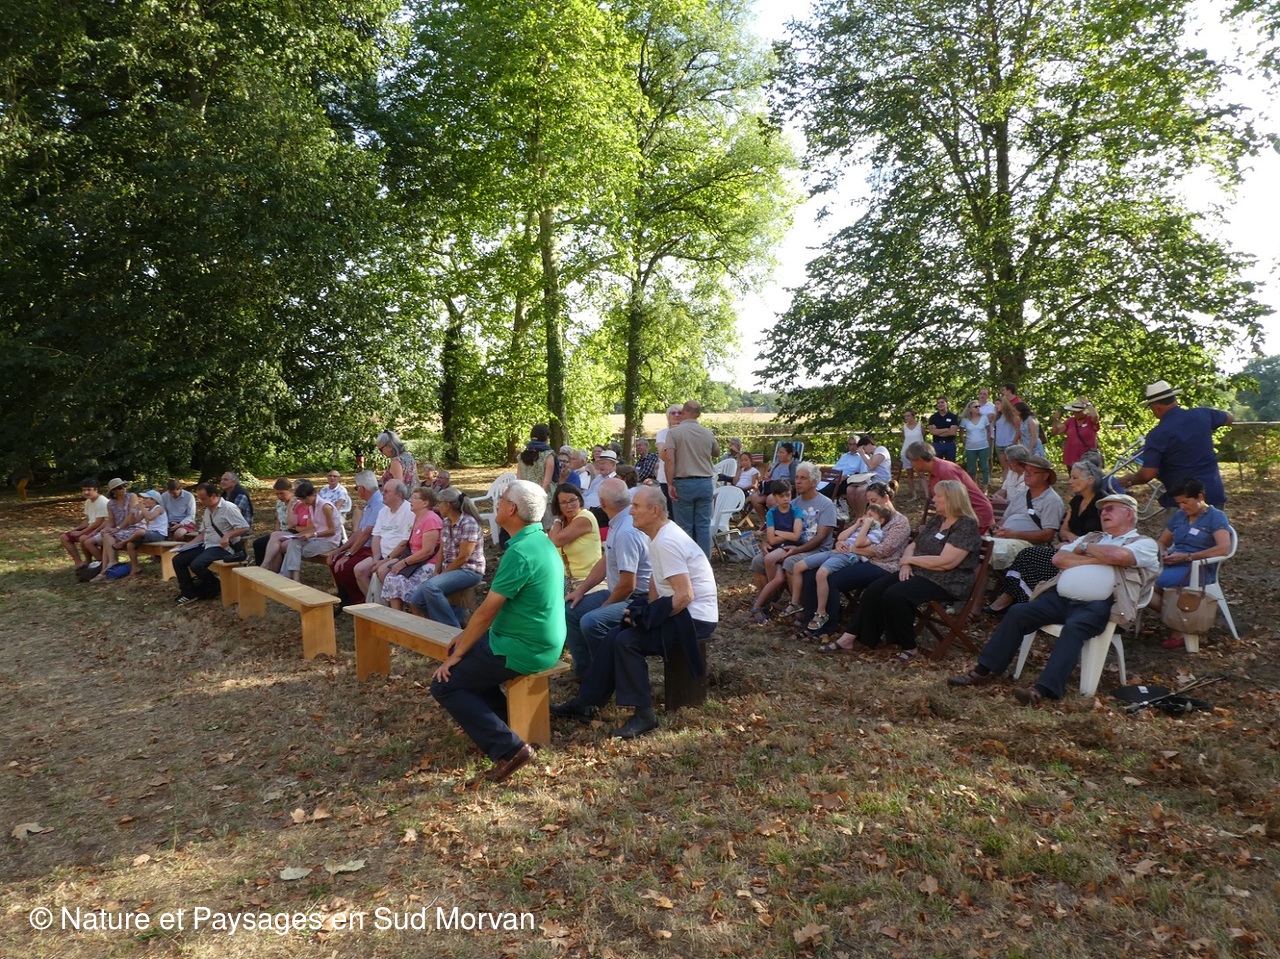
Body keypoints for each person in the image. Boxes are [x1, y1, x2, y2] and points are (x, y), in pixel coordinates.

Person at [948, 493, 1159, 705]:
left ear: (1129, 514)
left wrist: (1084, 550)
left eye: (1110, 508)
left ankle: (1043, 690)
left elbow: (1119, 557)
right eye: (1102, 509)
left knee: (1074, 628)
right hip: (1061, 599)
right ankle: (983, 671)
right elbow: (1058, 559)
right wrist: (1096, 556)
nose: (1104, 513)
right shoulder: (1092, 538)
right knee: (1019, 612)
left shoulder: (1144, 543)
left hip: (1100, 605)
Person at [551, 485, 718, 739]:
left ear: (655, 510)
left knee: (627, 641)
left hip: (695, 619)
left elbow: (685, 595)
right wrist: (646, 610)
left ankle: (644, 714)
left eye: (636, 506)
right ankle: (586, 701)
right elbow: (655, 580)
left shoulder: (667, 541)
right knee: (614, 635)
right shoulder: (657, 535)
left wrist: (650, 617)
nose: (631, 511)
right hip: (681, 612)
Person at [429, 480, 565, 784]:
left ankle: (510, 750)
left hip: (525, 646)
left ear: (512, 509)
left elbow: (487, 611)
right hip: (529, 639)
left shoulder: (521, 552)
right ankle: (509, 728)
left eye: (501, 500)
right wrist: (465, 639)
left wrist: (459, 652)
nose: (497, 504)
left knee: (445, 684)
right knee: (466, 667)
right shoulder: (538, 540)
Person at [819, 480, 981, 659]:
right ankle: (851, 637)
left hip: (947, 579)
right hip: (920, 570)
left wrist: (909, 560)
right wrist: (905, 563)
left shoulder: (966, 525)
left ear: (952, 499)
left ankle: (908, 646)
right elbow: (914, 544)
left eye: (938, 496)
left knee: (896, 595)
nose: (933, 499)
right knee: (875, 589)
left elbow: (947, 562)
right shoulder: (938, 519)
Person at [985, 458, 1105, 614]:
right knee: (1028, 556)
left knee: (1029, 555)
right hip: (1066, 549)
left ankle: (1017, 604)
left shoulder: (1103, 504)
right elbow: (1063, 531)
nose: (1069, 482)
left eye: (1075, 478)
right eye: (1070, 477)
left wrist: (1077, 544)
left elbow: (1104, 537)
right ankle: (1016, 603)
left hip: (1086, 556)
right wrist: (1071, 540)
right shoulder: (1076, 501)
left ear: (1090, 480)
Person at [563, 479, 652, 678]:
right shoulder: (618, 521)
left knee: (591, 621)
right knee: (571, 610)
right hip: (619, 591)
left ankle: (607, 676)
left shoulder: (626, 531)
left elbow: (628, 585)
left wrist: (604, 608)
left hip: (640, 599)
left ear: (602, 503)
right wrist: (580, 590)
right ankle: (586, 674)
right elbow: (606, 560)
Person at [804, 482, 911, 637]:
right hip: (856, 558)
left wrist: (851, 549)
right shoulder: (870, 515)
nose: (870, 504)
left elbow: (883, 551)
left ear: (886, 498)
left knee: (831, 579)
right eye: (869, 501)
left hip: (881, 565)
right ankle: (811, 618)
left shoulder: (900, 523)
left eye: (874, 500)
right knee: (811, 573)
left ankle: (826, 627)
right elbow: (851, 536)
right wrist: (841, 543)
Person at [1117, 379, 1233, 508]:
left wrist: (1130, 479)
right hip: (1213, 493)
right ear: (1174, 399)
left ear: (1155, 406)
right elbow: (1229, 418)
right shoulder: (1202, 414)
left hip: (1183, 501)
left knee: (1177, 522)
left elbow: (1147, 474)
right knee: (1215, 522)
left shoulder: (1158, 434)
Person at [1148, 478, 1233, 649]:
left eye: (1185, 502)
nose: (1182, 507)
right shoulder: (1180, 516)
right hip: (1174, 562)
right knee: (1142, 582)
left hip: (1199, 567)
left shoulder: (1215, 517)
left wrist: (1188, 557)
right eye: (1179, 503)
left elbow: (1224, 548)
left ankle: (1181, 625)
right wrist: (1162, 551)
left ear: (1200, 497)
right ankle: (1181, 622)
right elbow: (1162, 541)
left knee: (1149, 585)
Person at [408, 487, 486, 626]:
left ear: (448, 504)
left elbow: (463, 557)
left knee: (431, 587)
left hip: (469, 570)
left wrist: (442, 575)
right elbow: (441, 550)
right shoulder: (446, 522)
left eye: (439, 503)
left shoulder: (468, 523)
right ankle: (456, 618)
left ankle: (451, 630)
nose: (437, 506)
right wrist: (436, 571)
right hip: (450, 570)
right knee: (416, 601)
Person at [984, 454, 1065, 572]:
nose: (1027, 474)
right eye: (1026, 471)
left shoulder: (1052, 501)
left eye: (1032, 472)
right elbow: (1004, 519)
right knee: (976, 546)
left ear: (1045, 476)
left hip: (1028, 548)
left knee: (986, 551)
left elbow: (1048, 535)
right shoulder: (1021, 495)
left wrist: (1014, 534)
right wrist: (999, 529)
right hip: (1006, 541)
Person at [172, 482, 251, 605]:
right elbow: (203, 533)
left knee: (197, 564)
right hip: (208, 545)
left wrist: (227, 536)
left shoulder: (229, 508)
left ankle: (215, 586)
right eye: (200, 498)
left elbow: (244, 527)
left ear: (213, 496)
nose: (201, 501)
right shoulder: (207, 511)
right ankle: (188, 592)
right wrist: (186, 546)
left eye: (203, 498)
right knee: (178, 560)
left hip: (223, 548)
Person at [663, 399, 721, 557]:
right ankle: (704, 562)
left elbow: (669, 459)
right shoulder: (707, 433)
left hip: (684, 483)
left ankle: (687, 561)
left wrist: (670, 483)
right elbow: (716, 452)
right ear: (699, 414)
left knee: (684, 527)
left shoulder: (674, 433)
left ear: (683, 412)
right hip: (705, 482)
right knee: (703, 526)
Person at [905, 441, 995, 533]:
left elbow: (958, 502)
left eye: (911, 461)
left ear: (920, 460)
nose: (911, 465)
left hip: (976, 515)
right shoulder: (935, 471)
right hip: (961, 517)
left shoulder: (946, 471)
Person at [748, 480, 804, 624]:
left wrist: (778, 532)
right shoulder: (772, 513)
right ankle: (768, 599)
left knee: (769, 559)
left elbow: (796, 536)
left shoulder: (796, 511)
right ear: (774, 497)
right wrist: (785, 534)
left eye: (788, 495)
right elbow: (771, 540)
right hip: (777, 547)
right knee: (778, 579)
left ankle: (759, 604)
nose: (785, 499)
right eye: (781, 496)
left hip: (789, 548)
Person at [327, 471, 383, 609]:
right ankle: (346, 597)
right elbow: (359, 532)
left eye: (356, 488)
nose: (357, 491)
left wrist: (348, 555)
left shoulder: (379, 503)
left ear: (362, 489)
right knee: (334, 560)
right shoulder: (370, 503)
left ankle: (359, 600)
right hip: (365, 546)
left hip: (375, 549)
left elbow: (366, 534)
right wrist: (340, 550)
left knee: (346, 566)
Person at [380, 487, 443, 609]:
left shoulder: (431, 519)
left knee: (400, 580)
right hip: (415, 561)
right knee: (391, 577)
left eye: (414, 498)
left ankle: (416, 615)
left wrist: (403, 563)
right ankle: (397, 615)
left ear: (425, 503)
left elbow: (427, 551)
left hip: (429, 564)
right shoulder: (417, 517)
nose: (410, 500)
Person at [356, 479, 414, 601]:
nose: (383, 493)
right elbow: (376, 536)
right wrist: (376, 559)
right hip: (382, 555)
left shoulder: (409, 511)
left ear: (398, 495)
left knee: (382, 571)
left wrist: (385, 560)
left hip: (399, 556)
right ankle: (374, 603)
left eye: (387, 491)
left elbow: (404, 543)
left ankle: (391, 605)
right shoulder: (383, 511)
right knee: (359, 570)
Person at [280, 481, 344, 581]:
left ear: (314, 493)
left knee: (296, 551)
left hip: (329, 541)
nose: (304, 502)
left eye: (306, 498)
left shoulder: (325, 507)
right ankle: (294, 577)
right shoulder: (310, 506)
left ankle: (287, 577)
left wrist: (312, 535)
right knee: (293, 544)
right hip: (317, 539)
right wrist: (302, 535)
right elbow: (316, 526)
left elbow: (332, 531)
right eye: (301, 500)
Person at [548, 484, 603, 591]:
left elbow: (556, 541)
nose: (569, 506)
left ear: (580, 500)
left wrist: (557, 519)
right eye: (564, 502)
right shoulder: (562, 523)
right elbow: (549, 544)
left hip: (586, 580)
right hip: (566, 580)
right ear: (558, 506)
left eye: (572, 500)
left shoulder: (585, 518)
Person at [844, 434, 893, 518]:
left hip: (881, 480)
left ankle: (861, 516)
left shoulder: (881, 450)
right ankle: (858, 514)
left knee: (860, 490)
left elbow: (872, 465)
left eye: (863, 449)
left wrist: (862, 454)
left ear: (869, 444)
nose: (864, 451)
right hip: (871, 480)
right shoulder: (872, 455)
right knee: (850, 489)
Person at [253, 477, 296, 568]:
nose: (279, 496)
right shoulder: (279, 503)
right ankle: (262, 569)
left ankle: (272, 569)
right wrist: (276, 532)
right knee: (258, 543)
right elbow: (278, 520)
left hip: (293, 532)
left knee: (277, 546)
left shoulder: (296, 502)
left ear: (290, 490)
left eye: (282, 493)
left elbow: (294, 524)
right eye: (277, 494)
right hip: (281, 532)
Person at [750, 442, 797, 523]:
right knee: (755, 498)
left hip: (784, 489)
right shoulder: (778, 464)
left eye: (781, 453)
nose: (778, 455)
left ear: (789, 454)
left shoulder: (793, 465)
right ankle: (765, 523)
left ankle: (778, 523)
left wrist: (780, 481)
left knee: (771, 499)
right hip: (772, 488)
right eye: (778, 452)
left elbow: (794, 480)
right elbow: (770, 476)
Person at [1050, 398, 1100, 468]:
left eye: (1078, 412)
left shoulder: (1090, 420)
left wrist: (1088, 403)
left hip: (1088, 457)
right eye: (1074, 412)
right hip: (1071, 457)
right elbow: (1055, 432)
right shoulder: (1070, 421)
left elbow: (1095, 416)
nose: (1075, 414)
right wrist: (1055, 420)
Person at [517, 424, 557, 495]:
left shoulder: (521, 456)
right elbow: (547, 482)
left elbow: (519, 480)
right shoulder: (548, 455)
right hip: (545, 495)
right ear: (546, 438)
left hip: (526, 494)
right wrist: (539, 497)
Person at [959, 400, 992, 486]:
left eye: (979, 406)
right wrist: (965, 442)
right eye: (975, 407)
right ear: (970, 409)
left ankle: (985, 487)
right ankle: (973, 486)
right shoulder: (965, 420)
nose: (978, 408)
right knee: (971, 469)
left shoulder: (984, 418)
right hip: (970, 448)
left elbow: (989, 431)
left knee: (984, 467)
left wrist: (987, 441)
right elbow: (961, 433)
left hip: (983, 446)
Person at [654, 404, 683, 502]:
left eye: (680, 413)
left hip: (685, 477)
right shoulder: (662, 433)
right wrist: (672, 434)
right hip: (666, 479)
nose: (676, 415)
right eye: (673, 413)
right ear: (668, 417)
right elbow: (663, 455)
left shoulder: (688, 433)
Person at [993, 383, 1023, 473]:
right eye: (995, 404)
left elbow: (1018, 430)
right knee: (1004, 467)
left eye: (998, 404)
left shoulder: (1012, 416)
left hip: (1009, 444)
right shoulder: (998, 416)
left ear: (1004, 404)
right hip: (999, 445)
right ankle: (1005, 482)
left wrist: (1014, 443)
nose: (996, 406)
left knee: (1013, 467)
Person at [900, 409, 927, 499]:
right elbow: (904, 439)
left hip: (918, 453)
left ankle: (927, 495)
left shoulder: (920, 426)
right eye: (905, 416)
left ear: (913, 416)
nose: (906, 418)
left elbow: (923, 437)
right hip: (906, 453)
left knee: (921, 474)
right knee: (909, 474)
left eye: (908, 416)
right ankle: (913, 495)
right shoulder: (904, 428)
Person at [927, 397, 960, 462]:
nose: (940, 404)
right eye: (938, 403)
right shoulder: (933, 417)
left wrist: (938, 431)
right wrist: (946, 429)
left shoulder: (953, 417)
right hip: (937, 444)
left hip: (949, 444)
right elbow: (932, 432)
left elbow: (952, 432)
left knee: (950, 465)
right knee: (937, 465)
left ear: (946, 404)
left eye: (942, 402)